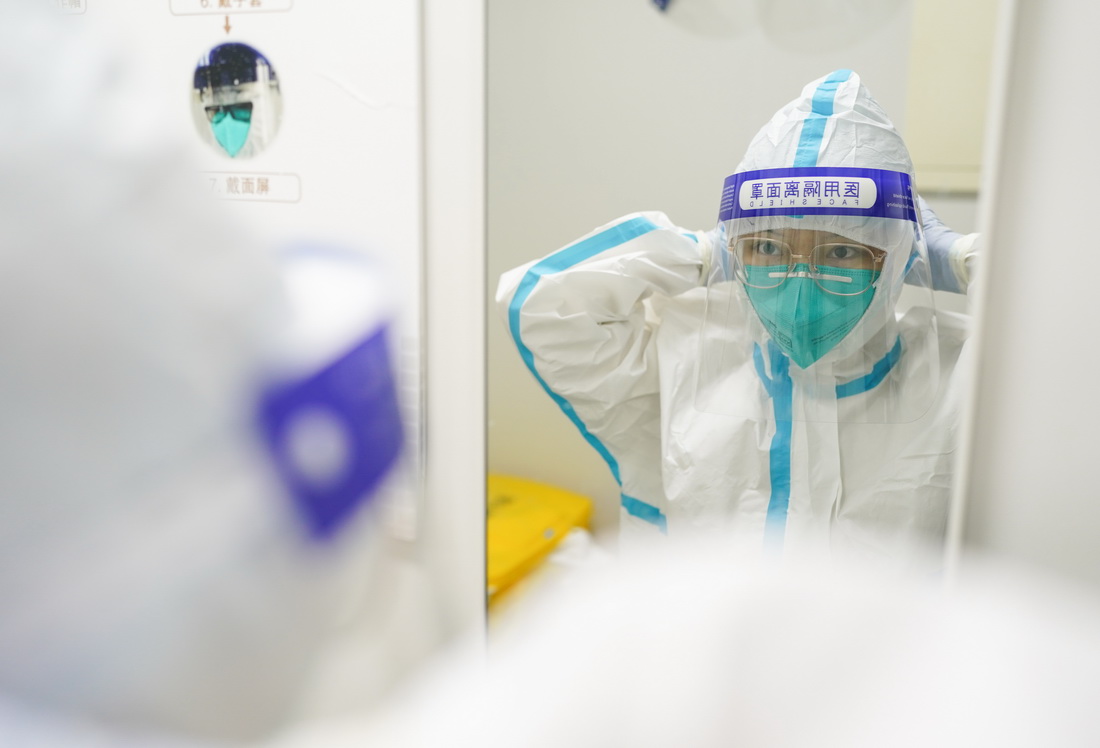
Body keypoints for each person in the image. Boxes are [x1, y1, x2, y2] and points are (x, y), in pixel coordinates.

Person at [497, 70, 979, 570]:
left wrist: (959, 259)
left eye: (841, 252)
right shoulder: (686, 352)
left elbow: (1047, 338)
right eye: (767, 247)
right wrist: (705, 254)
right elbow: (544, 303)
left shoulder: (962, 378)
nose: (799, 290)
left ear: (897, 259)